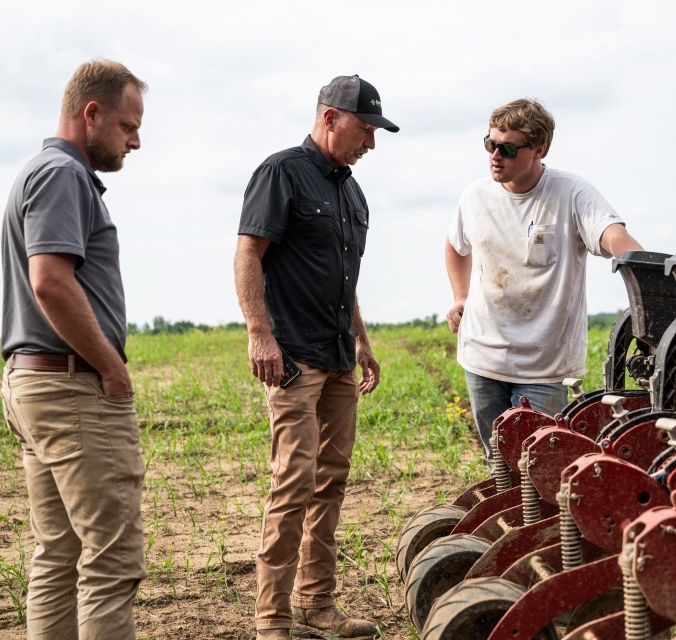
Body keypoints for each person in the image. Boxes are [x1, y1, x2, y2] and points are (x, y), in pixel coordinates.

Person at [234, 74, 398, 640]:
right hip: (294, 358)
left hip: (338, 356)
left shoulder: (352, 192)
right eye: (366, 130)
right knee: (293, 481)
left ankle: (316, 603)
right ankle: (272, 619)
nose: (371, 143)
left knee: (331, 480)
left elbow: (343, 278)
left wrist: (362, 339)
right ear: (330, 118)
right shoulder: (281, 173)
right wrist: (259, 333)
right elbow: (249, 254)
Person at [0, 59, 147, 639]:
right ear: (91, 113)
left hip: (36, 385)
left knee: (57, 556)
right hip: (72, 389)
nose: (136, 141)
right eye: (127, 127)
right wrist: (112, 368)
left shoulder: (40, 172)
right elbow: (51, 282)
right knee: (112, 560)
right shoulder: (63, 174)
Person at [445, 98, 643, 467]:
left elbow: (612, 235)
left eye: (508, 148)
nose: (495, 156)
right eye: (490, 144)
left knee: (542, 467)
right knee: (498, 463)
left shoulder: (571, 192)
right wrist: (460, 295)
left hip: (544, 366)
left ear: (540, 149)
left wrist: (649, 273)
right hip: (482, 357)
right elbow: (456, 245)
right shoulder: (475, 197)